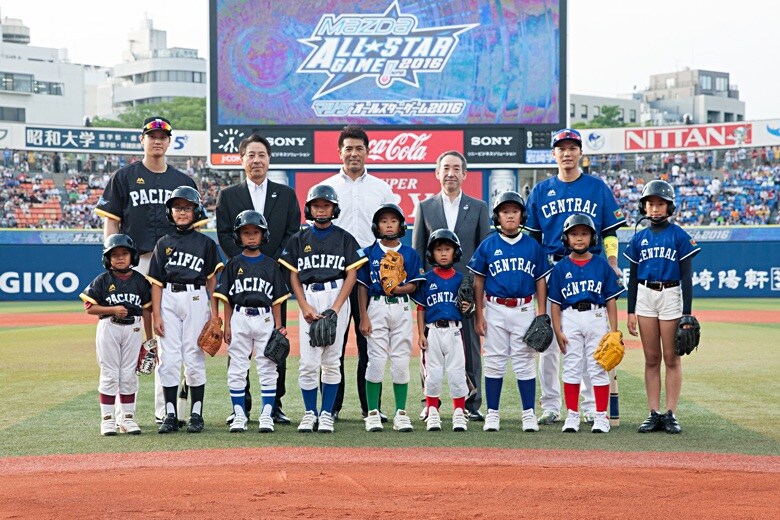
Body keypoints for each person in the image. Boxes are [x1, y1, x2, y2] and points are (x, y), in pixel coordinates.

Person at [94, 116, 198, 423]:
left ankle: (164, 410)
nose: (157, 140)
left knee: (167, 336)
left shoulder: (183, 181)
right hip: (136, 262)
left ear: (169, 142)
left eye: (163, 136)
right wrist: (110, 257)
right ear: (143, 140)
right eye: (151, 135)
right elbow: (111, 219)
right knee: (136, 335)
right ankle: (126, 414)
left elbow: (193, 227)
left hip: (173, 265)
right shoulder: (123, 177)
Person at [525, 128, 626, 426]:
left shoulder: (598, 188)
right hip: (552, 266)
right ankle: (552, 405)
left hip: (590, 265)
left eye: (572, 147)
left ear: (581, 152)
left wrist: (610, 260)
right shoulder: (541, 191)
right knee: (549, 340)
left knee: (591, 343)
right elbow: (533, 238)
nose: (567, 153)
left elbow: (610, 231)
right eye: (561, 148)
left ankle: (592, 407)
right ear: (553, 154)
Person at [215, 134, 301, 425]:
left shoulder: (285, 194)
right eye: (250, 155)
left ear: (269, 159)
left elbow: (292, 233)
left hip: (274, 277)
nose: (256, 160)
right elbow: (225, 234)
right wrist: (244, 261)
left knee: (277, 341)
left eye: (262, 154)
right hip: (241, 277)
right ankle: (240, 406)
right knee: (238, 348)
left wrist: (271, 264)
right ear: (241, 160)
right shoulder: (228, 195)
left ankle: (274, 405)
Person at [321, 125, 395, 421]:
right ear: (339, 152)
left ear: (367, 152)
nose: (353, 153)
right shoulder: (327, 187)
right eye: (348, 148)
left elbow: (391, 232)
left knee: (370, 345)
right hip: (335, 275)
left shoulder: (381, 188)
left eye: (359, 148)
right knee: (332, 345)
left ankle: (370, 407)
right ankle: (333, 407)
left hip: (371, 274)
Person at [278, 185, 366, 433]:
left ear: (334, 209)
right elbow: (293, 274)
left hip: (336, 295)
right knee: (308, 362)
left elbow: (352, 274)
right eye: (317, 205)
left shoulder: (344, 237)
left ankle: (326, 413)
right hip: (310, 296)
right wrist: (304, 305)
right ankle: (309, 413)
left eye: (326, 205)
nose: (321, 209)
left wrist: (336, 308)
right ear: (309, 208)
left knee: (332, 360)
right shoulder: (299, 239)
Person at [411, 150, 491, 422]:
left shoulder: (479, 207)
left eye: (456, 168)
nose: (451, 173)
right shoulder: (424, 207)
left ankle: (472, 402)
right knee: (428, 347)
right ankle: (429, 402)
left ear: (465, 174)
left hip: (467, 289)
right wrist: (421, 288)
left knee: (469, 345)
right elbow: (418, 252)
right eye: (446, 167)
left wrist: (476, 289)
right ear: (437, 172)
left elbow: (484, 251)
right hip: (434, 292)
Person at [468, 191, 550, 433]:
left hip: (524, 308)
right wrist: (479, 315)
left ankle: (528, 414)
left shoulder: (532, 246)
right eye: (505, 212)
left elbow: (540, 282)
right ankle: (493, 413)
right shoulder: (488, 244)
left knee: (524, 362)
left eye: (514, 211)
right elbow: (478, 282)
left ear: (522, 215)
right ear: (497, 216)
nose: (510, 216)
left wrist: (541, 316)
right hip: (494, 308)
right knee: (494, 361)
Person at [624, 180, 700, 434]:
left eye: (660, 204)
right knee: (652, 358)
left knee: (671, 357)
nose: (655, 209)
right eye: (650, 204)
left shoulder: (679, 236)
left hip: (670, 294)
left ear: (670, 207)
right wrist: (630, 310)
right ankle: (653, 412)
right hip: (645, 295)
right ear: (644, 208)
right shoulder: (639, 238)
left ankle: (670, 413)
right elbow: (633, 277)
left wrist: (687, 313)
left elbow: (687, 277)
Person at [147, 186, 224, 434]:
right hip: (169, 297)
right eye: (177, 208)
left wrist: (214, 313)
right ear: (171, 212)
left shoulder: (206, 244)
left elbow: (212, 280)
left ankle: (196, 414)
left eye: (187, 207)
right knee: (168, 359)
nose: (182, 212)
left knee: (193, 356)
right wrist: (157, 314)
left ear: (195, 210)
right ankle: (170, 414)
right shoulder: (163, 244)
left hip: (196, 297)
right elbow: (157, 283)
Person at [212, 210, 291, 433]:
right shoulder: (233, 264)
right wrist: (227, 324)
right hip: (239, 317)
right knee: (237, 368)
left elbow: (277, 299)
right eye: (246, 233)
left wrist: (278, 326)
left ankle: (267, 414)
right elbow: (226, 298)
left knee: (267, 367)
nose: (251, 236)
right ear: (239, 237)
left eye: (256, 232)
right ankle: (239, 415)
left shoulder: (270, 264)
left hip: (265, 318)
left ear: (263, 235)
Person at [547, 214, 625, 433]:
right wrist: (558, 329)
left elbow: (610, 299)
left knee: (599, 367)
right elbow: (554, 303)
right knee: (571, 367)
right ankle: (572, 414)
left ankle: (600, 415)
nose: (579, 239)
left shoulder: (601, 265)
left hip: (596, 316)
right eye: (574, 234)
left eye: (584, 234)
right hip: (570, 317)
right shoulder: (561, 268)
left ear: (592, 238)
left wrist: (614, 331)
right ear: (566, 238)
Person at [357, 203, 425, 432]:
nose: (388, 224)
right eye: (384, 221)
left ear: (401, 225)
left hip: (401, 308)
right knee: (375, 361)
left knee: (401, 360)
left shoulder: (409, 253)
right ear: (377, 226)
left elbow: (415, 284)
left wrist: (398, 289)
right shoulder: (369, 252)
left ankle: (401, 412)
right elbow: (362, 287)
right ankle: (373, 413)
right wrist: (363, 316)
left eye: (393, 220)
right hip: (376, 306)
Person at [79, 234, 152, 436]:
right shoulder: (102, 281)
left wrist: (150, 338)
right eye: (115, 255)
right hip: (109, 326)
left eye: (124, 254)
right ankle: (107, 420)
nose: (120, 258)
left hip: (133, 329)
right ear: (107, 259)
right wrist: (112, 310)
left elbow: (147, 310)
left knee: (129, 374)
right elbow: (89, 308)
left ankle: (127, 418)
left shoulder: (140, 281)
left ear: (133, 257)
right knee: (110, 374)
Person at [412, 229, 470, 432]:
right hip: (432, 331)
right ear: (431, 254)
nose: (443, 253)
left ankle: (459, 412)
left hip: (455, 330)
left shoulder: (462, 279)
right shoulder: (426, 279)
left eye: (448, 249)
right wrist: (420, 334)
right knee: (433, 374)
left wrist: (468, 307)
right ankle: (432, 411)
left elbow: (469, 306)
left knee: (457, 373)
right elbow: (421, 308)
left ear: (456, 252)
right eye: (439, 250)